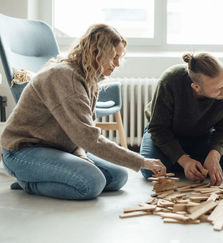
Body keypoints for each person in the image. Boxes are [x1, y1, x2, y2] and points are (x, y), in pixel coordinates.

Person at [0, 24, 166, 200]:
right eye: (114, 57)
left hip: (57, 148)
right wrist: (142, 161)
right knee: (91, 183)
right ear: (97, 52)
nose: (117, 64)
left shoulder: (88, 76)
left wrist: (79, 154)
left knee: (118, 176)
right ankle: (29, 182)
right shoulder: (65, 78)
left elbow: (79, 128)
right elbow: (89, 137)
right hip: (22, 151)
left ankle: (46, 176)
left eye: (119, 57)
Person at [140, 53, 223, 186]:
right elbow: (158, 129)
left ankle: (183, 162)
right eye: (218, 89)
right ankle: (184, 161)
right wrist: (184, 161)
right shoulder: (170, 80)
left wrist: (214, 156)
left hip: (203, 133)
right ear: (196, 87)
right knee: (150, 171)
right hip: (167, 133)